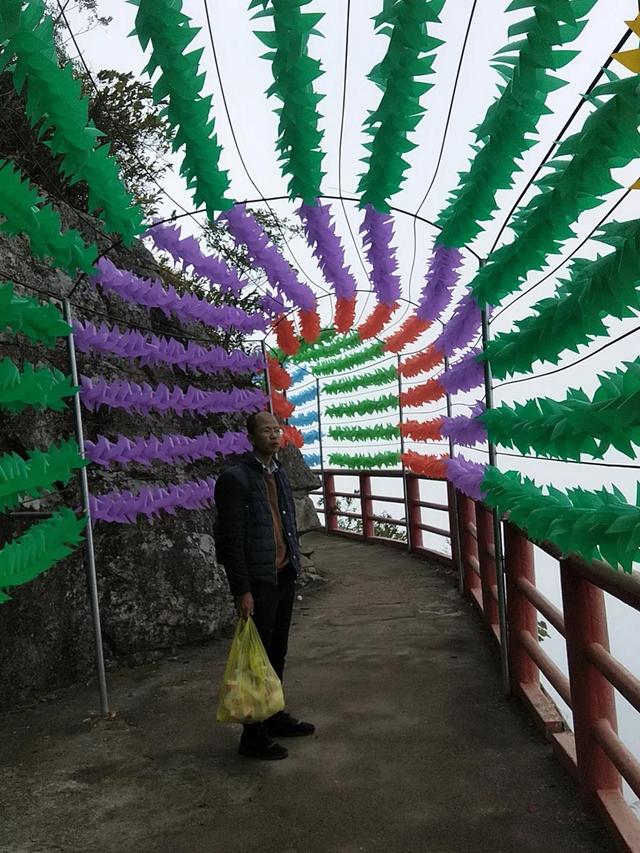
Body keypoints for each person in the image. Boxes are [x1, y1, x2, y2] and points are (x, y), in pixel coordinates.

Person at [214, 410, 315, 760]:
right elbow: (229, 540)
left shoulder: (279, 473)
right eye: (266, 431)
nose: (274, 436)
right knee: (257, 658)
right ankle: (252, 734)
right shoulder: (236, 479)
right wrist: (241, 589)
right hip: (257, 582)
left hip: (283, 574)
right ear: (251, 437)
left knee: (276, 652)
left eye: (277, 430)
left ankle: (273, 714)